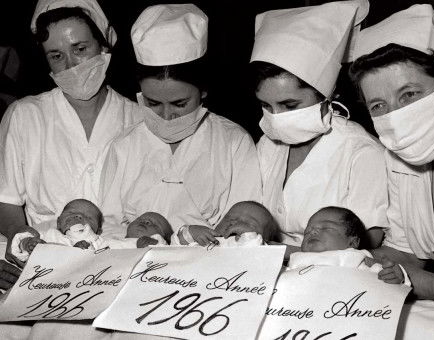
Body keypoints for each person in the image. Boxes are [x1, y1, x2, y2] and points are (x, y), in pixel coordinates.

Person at [0, 0, 144, 289]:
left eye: (80, 49)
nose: (70, 66)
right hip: (43, 265)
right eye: (56, 56)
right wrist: (18, 233)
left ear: (106, 43)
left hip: (119, 268)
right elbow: (6, 199)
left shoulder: (139, 119)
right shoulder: (26, 114)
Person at [100, 4, 262, 237]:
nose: (166, 116)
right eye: (153, 103)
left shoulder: (233, 142)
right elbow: (109, 227)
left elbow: (243, 230)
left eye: (179, 104)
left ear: (203, 90)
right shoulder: (123, 145)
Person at [250, 0, 388, 255]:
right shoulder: (267, 144)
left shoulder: (361, 151)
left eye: (289, 105)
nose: (276, 118)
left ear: (329, 94)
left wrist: (275, 251)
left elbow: (370, 239)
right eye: (266, 106)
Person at [350, 4, 434, 300]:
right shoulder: (399, 159)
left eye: (409, 94)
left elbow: (412, 271)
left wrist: (416, 280)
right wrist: (338, 259)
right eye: (379, 106)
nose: (396, 116)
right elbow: (406, 253)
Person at [11, 199, 168, 262]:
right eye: (71, 212)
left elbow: (131, 249)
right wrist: (26, 243)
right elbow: (20, 245)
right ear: (58, 221)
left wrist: (149, 244)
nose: (78, 216)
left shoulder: (105, 242)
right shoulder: (51, 234)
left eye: (88, 217)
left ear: (98, 230)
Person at [295, 206, 407, 285]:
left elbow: (384, 279)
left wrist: (393, 275)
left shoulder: (358, 258)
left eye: (326, 228)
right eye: (307, 231)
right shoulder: (296, 258)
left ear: (352, 243)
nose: (313, 232)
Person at [172, 200, 279, 246]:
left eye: (249, 224)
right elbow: (175, 250)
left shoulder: (257, 247)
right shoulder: (208, 242)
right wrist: (189, 233)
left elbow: (258, 253)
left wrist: (249, 236)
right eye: (230, 219)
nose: (236, 224)